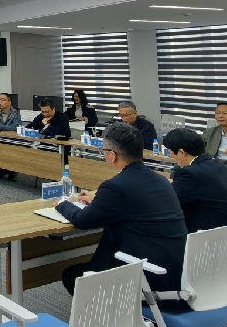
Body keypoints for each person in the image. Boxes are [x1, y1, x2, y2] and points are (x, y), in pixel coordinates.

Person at [55, 123, 186, 294]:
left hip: (145, 275)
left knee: (72, 275)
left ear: (112, 155)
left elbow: (82, 220)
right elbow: (135, 202)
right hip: (174, 269)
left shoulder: (115, 186)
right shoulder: (161, 179)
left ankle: (109, 310)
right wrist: (99, 199)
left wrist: (62, 204)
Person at [163, 128, 227, 266]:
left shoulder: (190, 174)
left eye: (172, 154)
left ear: (182, 152)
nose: (173, 158)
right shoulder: (219, 166)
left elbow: (169, 205)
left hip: (226, 257)